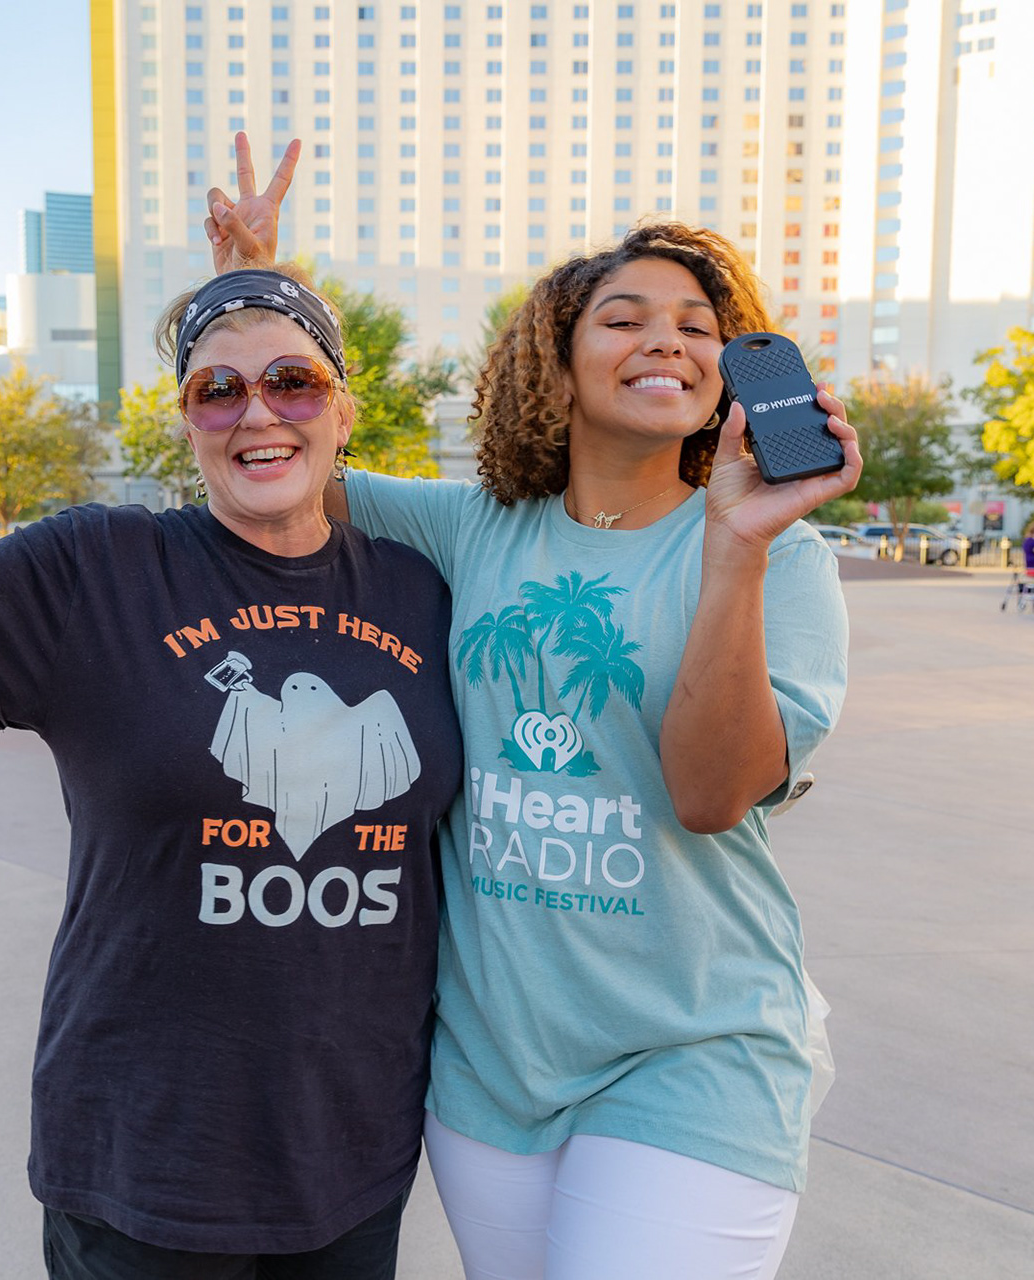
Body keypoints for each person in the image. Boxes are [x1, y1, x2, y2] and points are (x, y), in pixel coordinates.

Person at [0, 180, 462, 1276]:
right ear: (184, 418)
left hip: (351, 1155)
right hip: (143, 1161)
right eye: (216, 390)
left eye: (294, 381)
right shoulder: (102, 566)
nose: (259, 411)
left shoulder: (421, 588)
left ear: (345, 404)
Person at [210, 144, 858, 1278]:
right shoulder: (477, 527)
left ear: (731, 370)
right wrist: (262, 294)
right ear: (555, 357)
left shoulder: (781, 559)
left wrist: (736, 546)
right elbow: (284, 451)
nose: (668, 337)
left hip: (696, 1052)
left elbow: (711, 797)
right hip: (492, 1069)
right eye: (624, 317)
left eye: (700, 323)